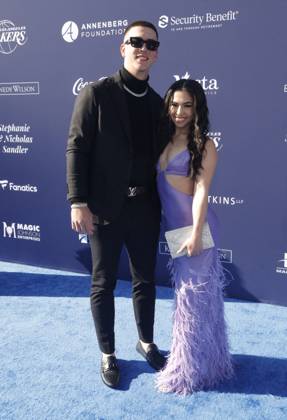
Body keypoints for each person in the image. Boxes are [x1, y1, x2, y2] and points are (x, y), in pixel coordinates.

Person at [66, 20, 166, 388]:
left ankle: (146, 342)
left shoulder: (159, 105)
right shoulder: (96, 94)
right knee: (103, 282)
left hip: (144, 208)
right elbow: (76, 147)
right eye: (136, 42)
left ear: (157, 53)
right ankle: (108, 353)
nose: (144, 48)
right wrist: (78, 200)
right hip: (104, 208)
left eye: (151, 44)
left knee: (145, 281)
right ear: (122, 47)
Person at [155, 79, 233, 395]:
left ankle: (185, 371)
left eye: (187, 105)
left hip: (195, 231)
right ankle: (212, 363)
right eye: (175, 104)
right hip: (176, 230)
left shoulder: (204, 145)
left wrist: (197, 234)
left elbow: (201, 191)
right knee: (201, 301)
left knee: (190, 303)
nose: (180, 111)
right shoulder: (162, 140)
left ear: (197, 107)